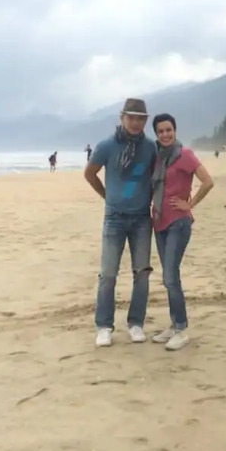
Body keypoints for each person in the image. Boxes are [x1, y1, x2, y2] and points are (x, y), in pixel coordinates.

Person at [84, 98, 157, 347]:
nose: (135, 122)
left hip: (141, 219)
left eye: (140, 118)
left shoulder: (150, 148)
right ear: (122, 117)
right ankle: (104, 326)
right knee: (108, 274)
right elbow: (89, 173)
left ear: (145, 121)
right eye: (131, 117)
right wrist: (107, 196)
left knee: (142, 273)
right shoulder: (107, 145)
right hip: (114, 218)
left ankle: (136, 323)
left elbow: (158, 176)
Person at [151, 113, 214, 350]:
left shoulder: (184, 154)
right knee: (169, 278)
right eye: (160, 131)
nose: (165, 134)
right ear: (156, 134)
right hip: (159, 222)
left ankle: (181, 329)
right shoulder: (157, 157)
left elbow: (208, 181)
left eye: (169, 130)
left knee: (170, 276)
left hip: (178, 222)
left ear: (175, 131)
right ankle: (174, 324)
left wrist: (190, 203)